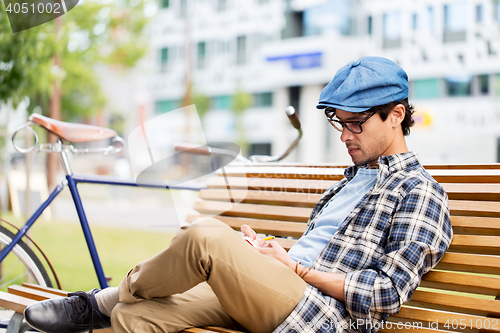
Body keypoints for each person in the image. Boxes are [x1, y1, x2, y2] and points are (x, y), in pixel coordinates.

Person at [24, 56, 453, 333]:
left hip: (319, 314)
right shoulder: (352, 178)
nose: (345, 135)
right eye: (338, 124)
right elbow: (319, 253)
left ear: (396, 115)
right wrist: (269, 252)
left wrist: (295, 270)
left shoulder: (419, 193)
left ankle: (94, 301)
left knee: (206, 235)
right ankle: (110, 305)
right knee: (134, 316)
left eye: (355, 123)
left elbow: (386, 293)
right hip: (279, 287)